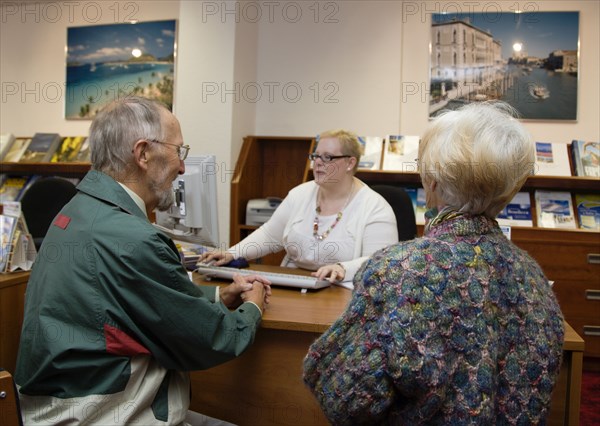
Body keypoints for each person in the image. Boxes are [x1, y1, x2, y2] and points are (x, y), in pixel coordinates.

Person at [303, 102, 565, 424]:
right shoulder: (533, 276)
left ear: (433, 184)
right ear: (510, 189)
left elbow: (346, 398)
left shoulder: (400, 269)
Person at [15, 96, 271, 425]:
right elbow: (212, 340)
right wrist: (253, 307)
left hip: (55, 409)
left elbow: (129, 301)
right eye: (179, 150)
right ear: (143, 153)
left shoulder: (75, 212)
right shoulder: (134, 238)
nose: (181, 167)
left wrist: (217, 296)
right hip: (99, 413)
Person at [199, 129, 398, 285]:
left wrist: (342, 268)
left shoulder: (375, 208)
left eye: (327, 157)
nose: (317, 163)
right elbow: (270, 235)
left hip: (343, 292)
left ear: (350, 163)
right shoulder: (300, 194)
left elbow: (380, 263)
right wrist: (232, 253)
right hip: (295, 284)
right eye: (315, 156)